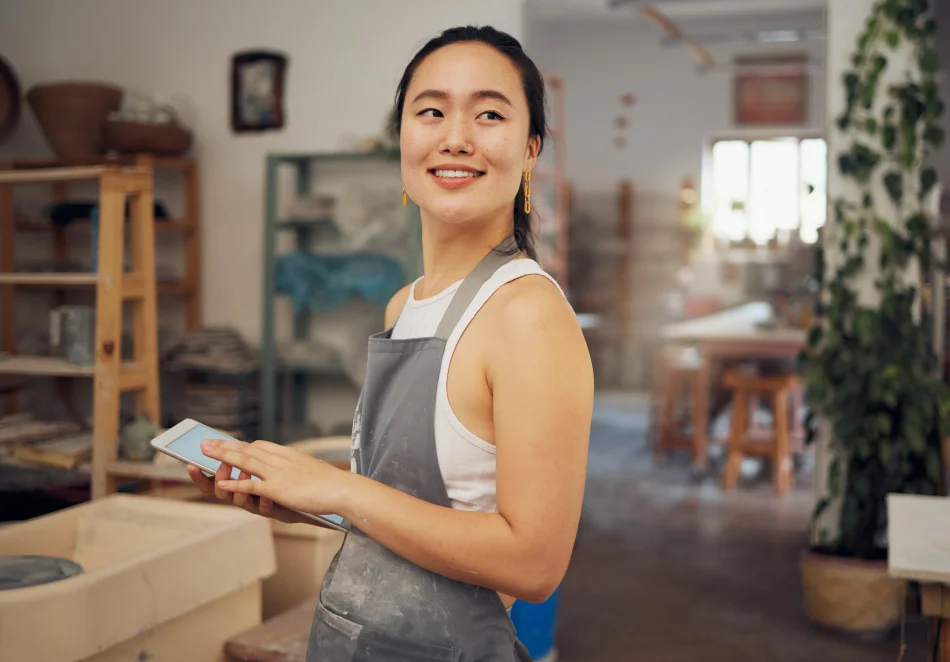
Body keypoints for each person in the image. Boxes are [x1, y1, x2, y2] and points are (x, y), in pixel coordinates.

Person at [190, 25, 593, 661]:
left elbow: (534, 562)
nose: (455, 137)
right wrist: (301, 499)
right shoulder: (404, 304)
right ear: (402, 141)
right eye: (430, 111)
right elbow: (412, 509)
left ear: (529, 151)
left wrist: (341, 490)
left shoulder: (528, 315)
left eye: (489, 114)